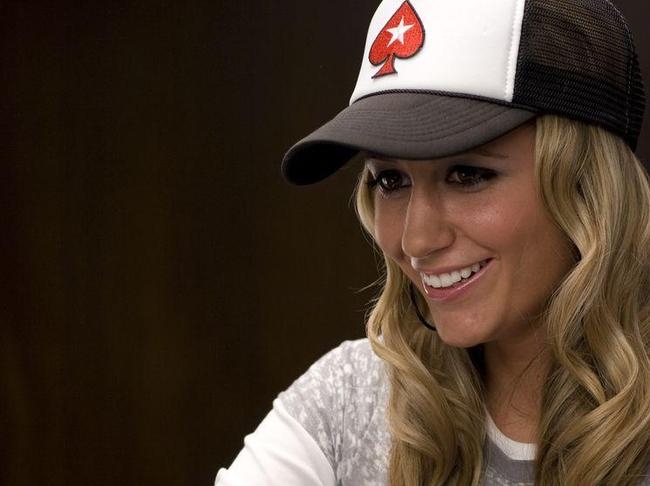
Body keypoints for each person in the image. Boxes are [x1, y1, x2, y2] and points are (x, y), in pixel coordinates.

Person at [216, 0, 650, 484]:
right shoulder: (349, 401)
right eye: (390, 180)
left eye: (467, 174)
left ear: (588, 186)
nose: (416, 240)